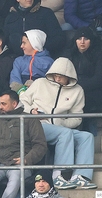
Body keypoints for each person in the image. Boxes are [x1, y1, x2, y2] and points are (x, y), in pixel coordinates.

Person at [21, 57, 95, 190]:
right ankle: (58, 175)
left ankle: (80, 176)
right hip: (38, 125)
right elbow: (22, 101)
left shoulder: (77, 91)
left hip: (60, 128)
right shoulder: (40, 83)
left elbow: (77, 117)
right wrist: (31, 111)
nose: (57, 78)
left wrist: (62, 123)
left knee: (86, 137)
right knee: (64, 134)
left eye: (61, 76)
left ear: (69, 76)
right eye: (55, 75)